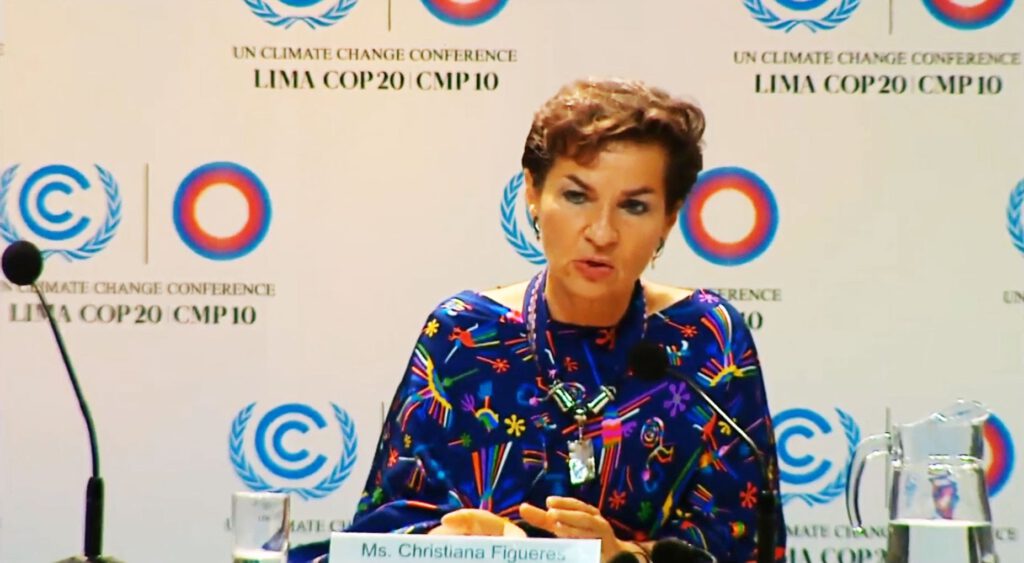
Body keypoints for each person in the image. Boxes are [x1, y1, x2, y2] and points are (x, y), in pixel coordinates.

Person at [315, 78, 785, 563]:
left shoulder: (707, 339)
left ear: (669, 217)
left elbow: (746, 542)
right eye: (578, 196)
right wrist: (452, 541)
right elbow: (381, 533)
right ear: (533, 192)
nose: (602, 233)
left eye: (634, 206)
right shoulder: (464, 335)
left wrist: (624, 556)